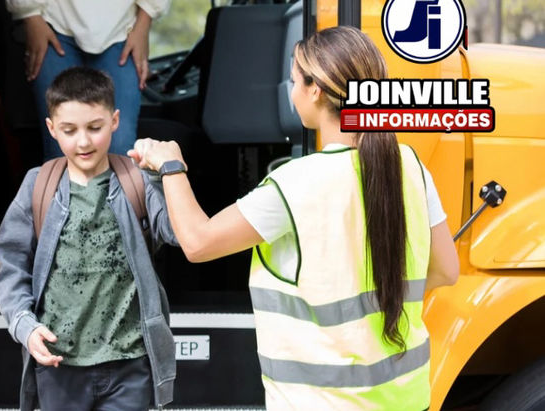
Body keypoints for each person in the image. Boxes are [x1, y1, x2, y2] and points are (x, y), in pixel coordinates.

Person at [129, 26, 460, 410]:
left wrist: (171, 165)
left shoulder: (295, 183)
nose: (291, 91)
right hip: (406, 398)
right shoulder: (411, 167)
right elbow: (445, 270)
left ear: (314, 90)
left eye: (293, 80)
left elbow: (198, 243)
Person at [0, 67, 179, 411]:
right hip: (59, 363)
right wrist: (25, 326)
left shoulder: (136, 181)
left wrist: (164, 172)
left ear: (115, 121)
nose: (83, 141)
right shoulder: (38, 185)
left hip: (130, 361)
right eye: (69, 130)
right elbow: (11, 266)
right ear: (51, 128)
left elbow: (177, 233)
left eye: (95, 127)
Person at [7, 0, 170, 159]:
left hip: (121, 28)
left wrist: (143, 25)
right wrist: (31, 17)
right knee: (61, 149)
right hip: (53, 21)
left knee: (119, 146)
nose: (84, 143)